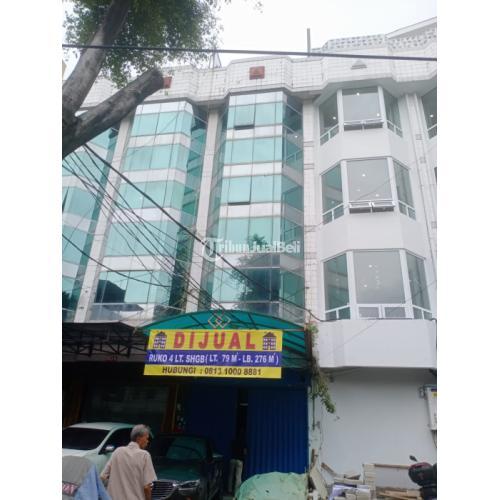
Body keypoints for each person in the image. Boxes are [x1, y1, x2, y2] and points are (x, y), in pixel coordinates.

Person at [101, 424, 157, 500]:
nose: (148, 441)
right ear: (139, 438)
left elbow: (103, 476)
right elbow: (147, 487)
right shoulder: (144, 455)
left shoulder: (118, 451)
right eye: (146, 438)